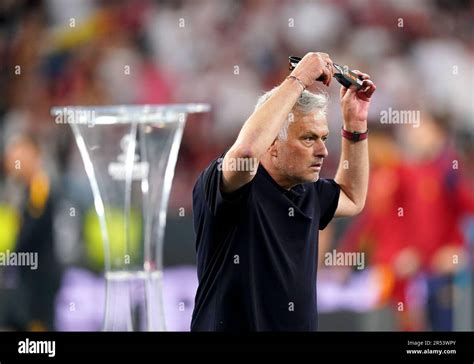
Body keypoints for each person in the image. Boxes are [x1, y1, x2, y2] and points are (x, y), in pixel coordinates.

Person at [191, 52, 376, 331]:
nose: (323, 150)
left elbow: (352, 197)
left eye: (323, 138)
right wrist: (299, 78)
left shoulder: (307, 190)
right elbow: (247, 150)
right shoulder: (232, 183)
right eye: (308, 138)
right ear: (272, 143)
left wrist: (355, 124)